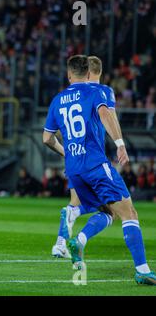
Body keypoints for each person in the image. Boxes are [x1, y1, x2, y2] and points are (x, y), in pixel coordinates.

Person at [43, 54, 155, 285]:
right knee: (129, 213)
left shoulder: (57, 100)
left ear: (69, 74)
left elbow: (46, 138)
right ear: (88, 73)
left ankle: (79, 235)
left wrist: (67, 152)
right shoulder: (97, 91)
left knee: (107, 212)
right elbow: (105, 114)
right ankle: (143, 270)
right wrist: (120, 143)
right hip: (95, 164)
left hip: (74, 169)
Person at [51, 56, 123, 258]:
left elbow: (50, 134)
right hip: (93, 160)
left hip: (74, 159)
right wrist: (120, 144)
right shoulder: (102, 92)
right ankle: (78, 240)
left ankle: (60, 244)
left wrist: (67, 149)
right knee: (112, 211)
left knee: (74, 203)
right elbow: (110, 119)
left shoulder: (66, 97)